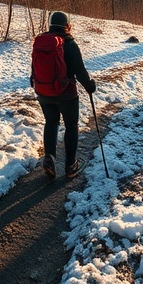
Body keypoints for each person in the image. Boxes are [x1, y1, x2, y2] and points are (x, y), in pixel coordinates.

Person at [32, 11, 96, 179]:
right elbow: (80, 71)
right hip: (66, 94)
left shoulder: (41, 42)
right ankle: (70, 166)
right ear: (67, 25)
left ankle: (50, 158)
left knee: (51, 122)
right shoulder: (70, 44)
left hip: (44, 92)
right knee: (71, 126)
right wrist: (89, 86)